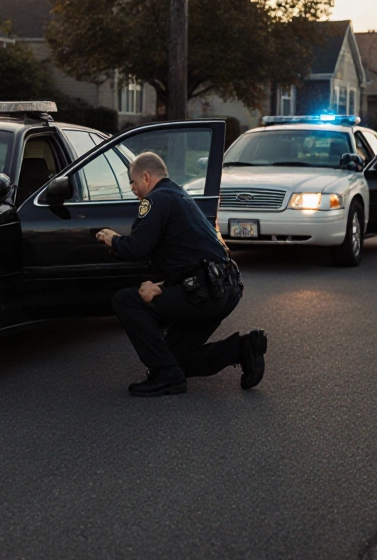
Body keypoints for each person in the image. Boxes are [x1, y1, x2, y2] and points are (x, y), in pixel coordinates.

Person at [95, 152, 267, 397]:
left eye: (132, 182)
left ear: (146, 177)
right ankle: (242, 348)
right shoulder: (180, 195)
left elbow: (137, 248)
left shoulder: (155, 200)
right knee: (173, 357)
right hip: (222, 288)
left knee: (125, 301)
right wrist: (162, 286)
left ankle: (166, 377)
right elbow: (190, 258)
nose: (132, 188)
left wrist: (113, 240)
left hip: (204, 293)